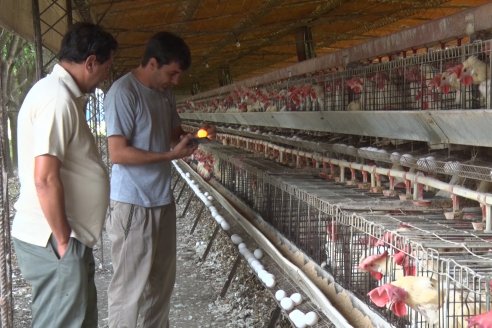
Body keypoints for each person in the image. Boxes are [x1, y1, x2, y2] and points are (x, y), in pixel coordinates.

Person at [104, 31, 214, 328]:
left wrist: (192, 137)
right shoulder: (123, 92)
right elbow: (118, 153)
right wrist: (170, 156)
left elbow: (170, 134)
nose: (176, 81)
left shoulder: (164, 93)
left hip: (161, 201)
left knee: (161, 286)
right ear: (152, 63)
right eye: (172, 73)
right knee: (129, 290)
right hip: (132, 204)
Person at [12, 22, 118, 327]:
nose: (105, 77)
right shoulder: (56, 99)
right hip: (53, 238)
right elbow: (44, 178)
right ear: (90, 62)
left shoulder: (60, 95)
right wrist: (62, 240)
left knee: (79, 318)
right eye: (106, 67)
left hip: (65, 237)